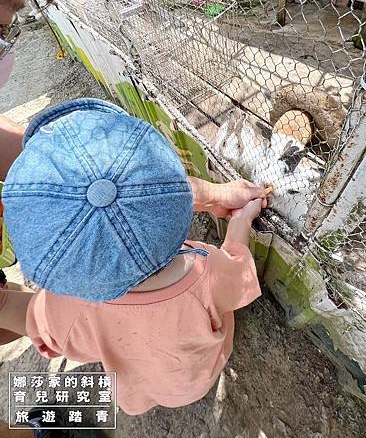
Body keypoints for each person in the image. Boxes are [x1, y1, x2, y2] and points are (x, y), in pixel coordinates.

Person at [2, 99, 263, 415]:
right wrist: (240, 221)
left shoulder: (62, 308)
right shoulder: (206, 268)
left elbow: (47, 336)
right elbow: (240, 272)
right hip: (197, 377)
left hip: (137, 391)